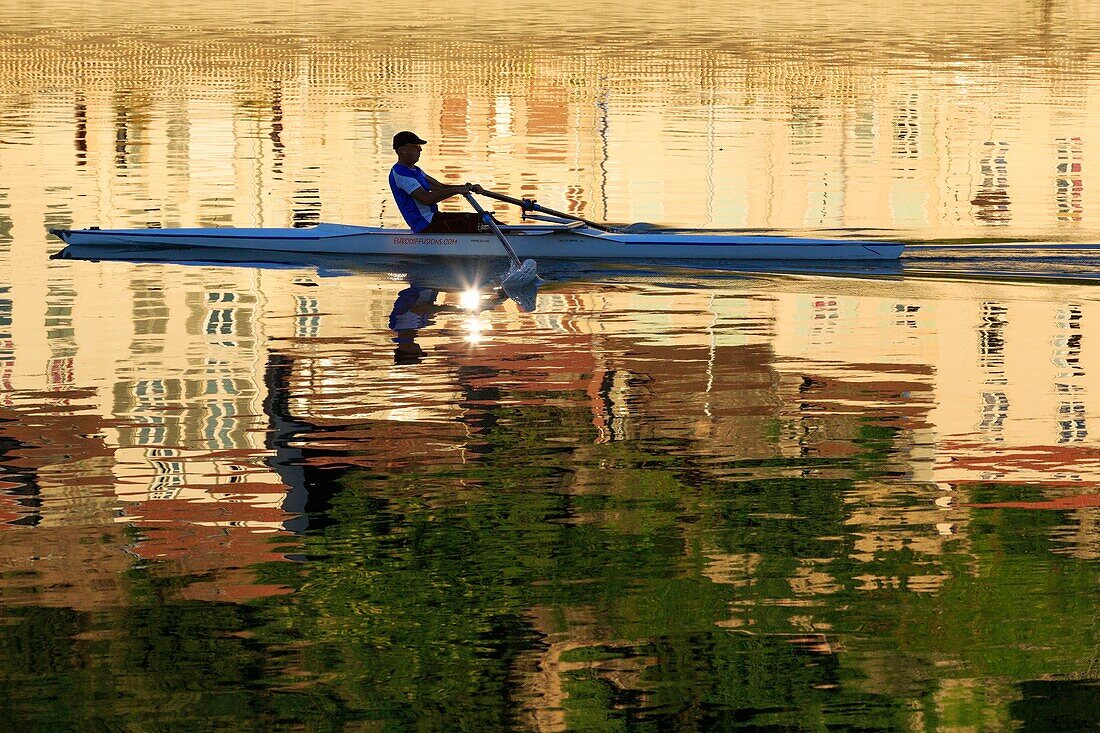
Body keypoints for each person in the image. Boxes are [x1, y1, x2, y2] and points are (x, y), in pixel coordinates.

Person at [388, 131, 486, 233]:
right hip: (425, 224)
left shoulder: (416, 170)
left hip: (434, 218)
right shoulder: (400, 173)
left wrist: (467, 187)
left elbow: (440, 187)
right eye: (416, 146)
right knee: (479, 221)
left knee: (483, 218)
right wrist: (457, 190)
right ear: (402, 150)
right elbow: (427, 198)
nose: (420, 149)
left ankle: (501, 234)